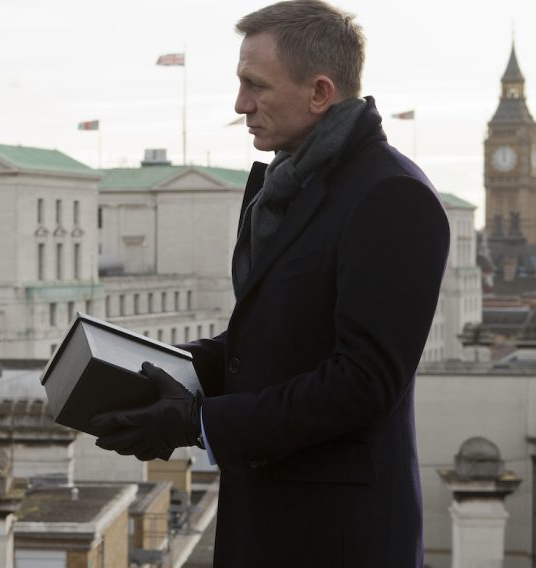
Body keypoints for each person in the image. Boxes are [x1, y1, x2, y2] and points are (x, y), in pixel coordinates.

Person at [92, 1, 450, 566]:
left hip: (337, 539)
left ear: (319, 92)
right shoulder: (290, 185)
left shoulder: (391, 195)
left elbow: (363, 381)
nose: (240, 105)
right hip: (269, 522)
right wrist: (154, 367)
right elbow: (276, 343)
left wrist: (199, 422)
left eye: (254, 86)